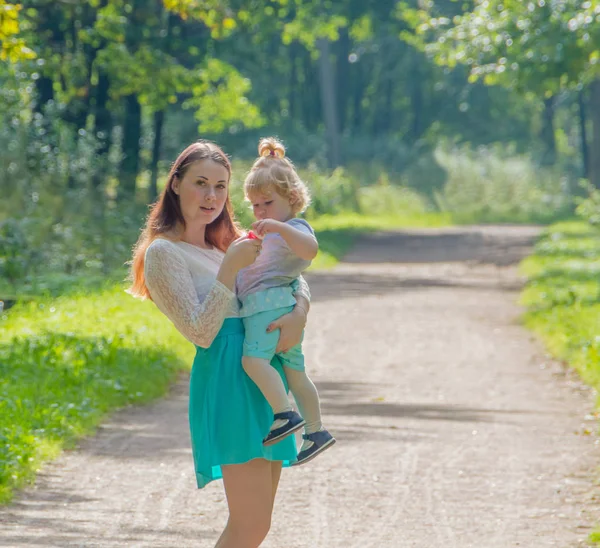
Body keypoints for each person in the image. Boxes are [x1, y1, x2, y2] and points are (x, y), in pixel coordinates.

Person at [128, 140, 312, 548]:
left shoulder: (224, 242)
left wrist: (299, 310)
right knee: (249, 525)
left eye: (220, 186)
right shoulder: (163, 254)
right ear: (175, 184)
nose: (211, 196)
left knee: (258, 525)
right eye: (200, 183)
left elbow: (290, 275)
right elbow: (200, 332)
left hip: (264, 372)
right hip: (228, 377)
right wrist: (230, 270)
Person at [237, 137, 335, 465]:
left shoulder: (294, 227)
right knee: (295, 373)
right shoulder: (269, 232)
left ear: (291, 198)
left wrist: (280, 227)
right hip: (273, 308)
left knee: (253, 362)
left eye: (267, 203)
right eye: (255, 205)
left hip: (268, 308)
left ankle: (285, 414)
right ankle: (316, 431)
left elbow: (310, 250)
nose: (260, 211)